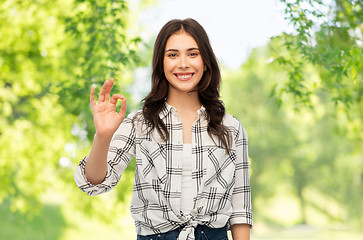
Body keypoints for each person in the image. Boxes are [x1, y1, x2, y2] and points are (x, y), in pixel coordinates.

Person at [74, 18, 253, 240]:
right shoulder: (140, 123)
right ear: (161, 63)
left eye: (193, 53)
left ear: (206, 61)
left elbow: (240, 209)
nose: (183, 63)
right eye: (173, 55)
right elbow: (93, 184)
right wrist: (102, 136)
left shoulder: (231, 128)